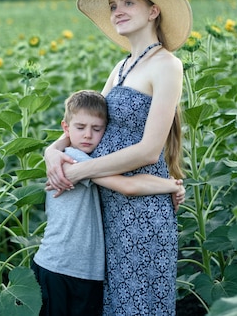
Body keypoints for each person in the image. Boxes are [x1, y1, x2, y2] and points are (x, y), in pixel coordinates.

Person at [45, 0, 192, 315]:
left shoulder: (168, 65)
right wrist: (52, 151)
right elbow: (91, 124)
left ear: (154, 11)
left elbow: (148, 151)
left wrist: (79, 170)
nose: (117, 11)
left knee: (139, 304)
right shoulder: (121, 66)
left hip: (141, 209)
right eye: (113, 6)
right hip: (110, 206)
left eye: (128, 3)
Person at [33, 89, 185, 316]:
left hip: (84, 270)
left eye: (97, 129)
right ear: (66, 128)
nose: (87, 135)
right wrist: (172, 185)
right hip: (61, 266)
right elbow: (128, 186)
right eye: (80, 128)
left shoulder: (88, 160)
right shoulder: (73, 159)